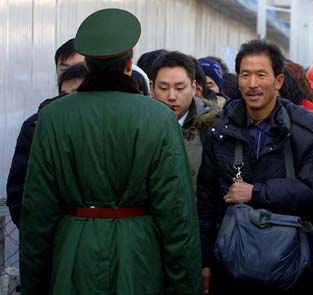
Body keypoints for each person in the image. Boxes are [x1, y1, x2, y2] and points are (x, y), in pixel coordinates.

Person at [19, 8, 201, 295]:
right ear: (130, 65)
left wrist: (33, 285)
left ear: (87, 67)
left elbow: (37, 214)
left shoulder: (53, 117)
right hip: (140, 257)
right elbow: (176, 214)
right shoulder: (159, 118)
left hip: (72, 256)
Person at [197, 39, 313, 295]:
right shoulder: (220, 129)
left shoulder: (305, 130)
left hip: (290, 268)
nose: (252, 84)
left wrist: (256, 192)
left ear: (278, 81)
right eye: (245, 75)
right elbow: (206, 203)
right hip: (231, 265)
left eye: (261, 75)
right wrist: (204, 262)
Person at [6, 38, 86, 227]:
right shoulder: (36, 124)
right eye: (64, 68)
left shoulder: (108, 123)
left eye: (81, 67)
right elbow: (20, 192)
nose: (74, 73)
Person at [149, 51, 212, 190]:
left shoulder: (212, 127)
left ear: (194, 88)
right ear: (151, 87)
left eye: (180, 88)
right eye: (163, 88)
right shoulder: (140, 126)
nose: (172, 96)